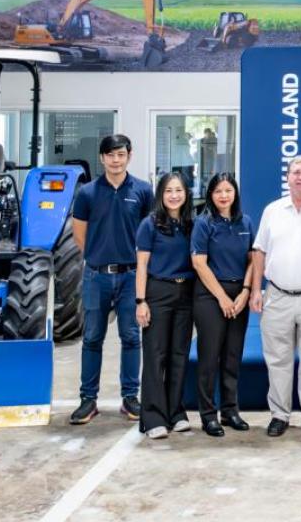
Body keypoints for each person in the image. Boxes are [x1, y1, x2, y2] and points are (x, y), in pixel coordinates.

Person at [69, 134, 155, 426]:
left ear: (129, 156)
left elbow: (149, 235)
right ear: (102, 158)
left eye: (121, 155)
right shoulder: (88, 193)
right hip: (96, 277)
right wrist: (97, 256)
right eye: (110, 155)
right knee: (92, 338)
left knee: (131, 338)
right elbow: (79, 234)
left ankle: (130, 398)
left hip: (132, 277)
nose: (115, 160)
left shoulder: (143, 191)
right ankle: (88, 400)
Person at [249, 155, 301, 438]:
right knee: (278, 359)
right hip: (277, 296)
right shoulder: (272, 211)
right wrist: (255, 290)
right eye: (296, 172)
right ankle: (280, 414)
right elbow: (259, 251)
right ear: (287, 176)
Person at [191, 172, 254, 436]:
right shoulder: (204, 223)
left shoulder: (246, 221)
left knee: (232, 356)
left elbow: (253, 260)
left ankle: (230, 410)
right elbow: (199, 263)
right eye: (218, 191)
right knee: (209, 357)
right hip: (210, 295)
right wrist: (222, 297)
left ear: (235, 193)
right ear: (211, 195)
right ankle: (208, 414)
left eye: (228, 190)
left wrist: (246, 291)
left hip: (239, 294)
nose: (224, 196)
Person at [135, 173, 195, 439]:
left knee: (178, 355)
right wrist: (141, 301)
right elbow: (142, 265)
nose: (174, 195)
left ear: (186, 194)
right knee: (155, 355)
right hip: (158, 291)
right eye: (169, 190)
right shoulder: (150, 224)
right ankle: (153, 417)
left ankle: (176, 412)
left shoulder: (191, 224)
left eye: (178, 190)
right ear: (161, 194)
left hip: (186, 293)